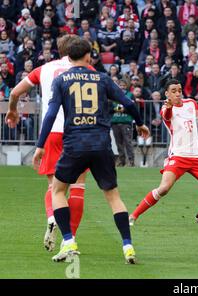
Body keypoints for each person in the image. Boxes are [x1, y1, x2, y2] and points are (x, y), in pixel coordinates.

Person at [31, 38, 150, 263]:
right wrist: (140, 123)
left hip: (75, 144)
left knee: (57, 191)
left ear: (68, 57)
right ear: (88, 57)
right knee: (113, 197)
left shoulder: (62, 80)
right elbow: (129, 103)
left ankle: (68, 241)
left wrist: (40, 146)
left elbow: (50, 114)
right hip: (101, 145)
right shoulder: (102, 78)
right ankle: (128, 246)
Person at [5, 35, 88, 252]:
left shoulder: (44, 69)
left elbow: (14, 92)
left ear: (59, 50)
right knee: (78, 187)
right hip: (79, 132)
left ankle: (52, 217)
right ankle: (70, 239)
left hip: (51, 133)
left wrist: (13, 110)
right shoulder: (87, 71)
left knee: (54, 187)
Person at [129, 79, 198, 226]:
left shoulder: (191, 103)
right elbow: (166, 116)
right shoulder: (166, 109)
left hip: (197, 157)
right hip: (178, 156)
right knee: (164, 188)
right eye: (173, 91)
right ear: (167, 93)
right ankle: (133, 216)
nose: (178, 93)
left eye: (179, 90)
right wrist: (168, 107)